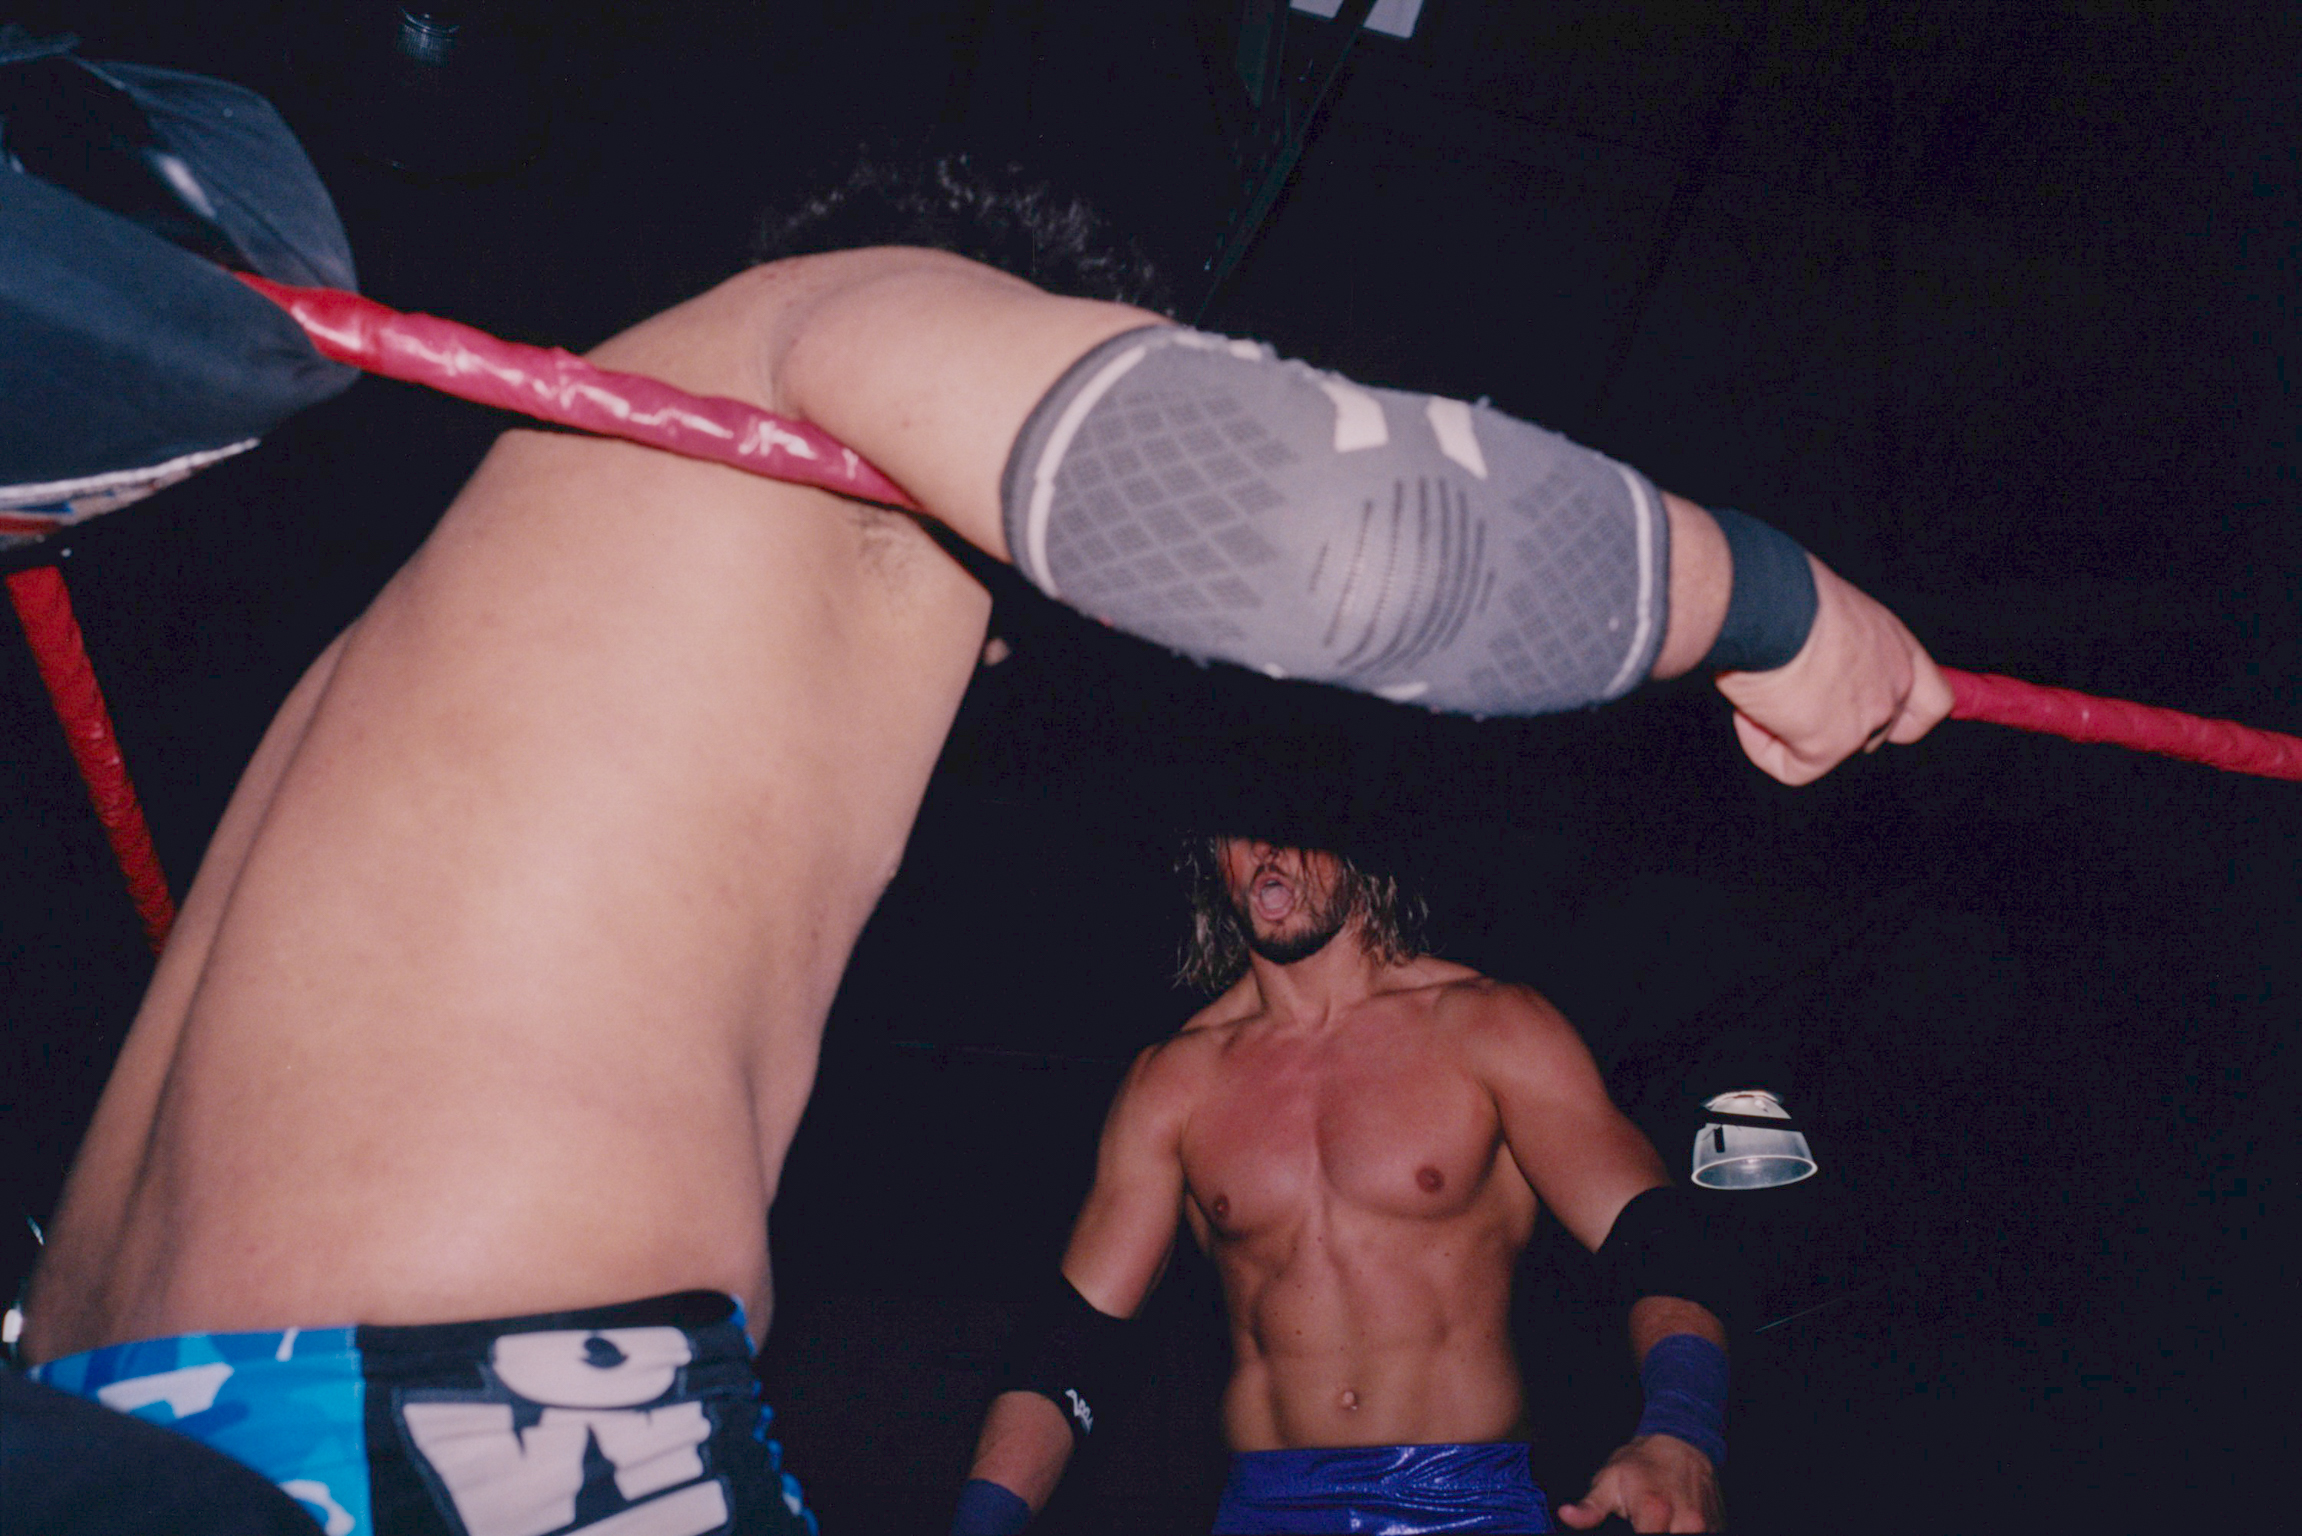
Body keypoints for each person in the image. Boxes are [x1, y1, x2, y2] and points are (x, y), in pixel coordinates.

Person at [14, 158, 1946, 1534]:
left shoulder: (517, 567)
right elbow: (1337, 534)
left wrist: (1681, 1429)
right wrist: (1771, 605)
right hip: (458, 1399)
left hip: (121, 1401)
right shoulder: (825, 330)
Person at [952, 837, 1732, 1535]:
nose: (1269, 850)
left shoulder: (1489, 1026)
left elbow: (1655, 1241)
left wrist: (1680, 1428)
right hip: (1263, 1509)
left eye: (1295, 821)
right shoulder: (1175, 1081)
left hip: (1464, 1506)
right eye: (1241, 827)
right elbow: (1069, 1348)